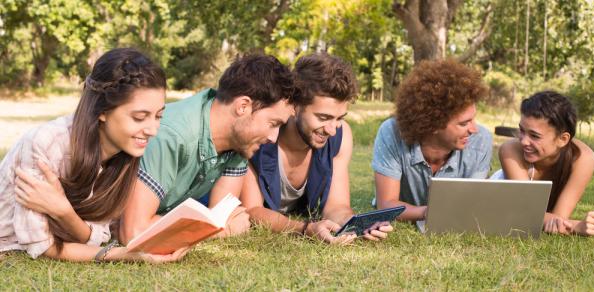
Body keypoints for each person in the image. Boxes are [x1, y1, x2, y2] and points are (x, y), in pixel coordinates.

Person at [0, 48, 186, 262]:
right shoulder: (46, 143)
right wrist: (126, 255)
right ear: (103, 111)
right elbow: (43, 246)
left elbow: (94, 236)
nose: (153, 130)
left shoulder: (125, 153)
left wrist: (64, 212)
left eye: (158, 116)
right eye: (139, 117)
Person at [119, 54, 297, 243]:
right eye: (273, 123)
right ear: (243, 106)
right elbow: (134, 232)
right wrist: (214, 230)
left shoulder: (240, 140)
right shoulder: (174, 135)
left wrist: (212, 224)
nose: (273, 137)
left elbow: (221, 215)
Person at [240, 53, 392, 244]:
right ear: (294, 105)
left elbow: (336, 205)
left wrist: (355, 224)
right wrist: (304, 229)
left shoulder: (341, 135)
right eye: (323, 117)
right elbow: (252, 210)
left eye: (339, 118)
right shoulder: (262, 136)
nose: (331, 129)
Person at [372, 59, 493, 221]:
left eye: (473, 119)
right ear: (433, 123)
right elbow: (385, 205)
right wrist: (428, 213)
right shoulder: (391, 133)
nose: (474, 129)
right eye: (464, 123)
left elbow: (471, 206)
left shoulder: (481, 140)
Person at [496, 91, 594, 235]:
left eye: (534, 136)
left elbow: (558, 219)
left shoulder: (583, 158)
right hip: (503, 208)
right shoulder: (510, 150)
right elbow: (527, 213)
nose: (524, 141)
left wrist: (593, 223)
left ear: (562, 139)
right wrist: (578, 227)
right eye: (522, 130)